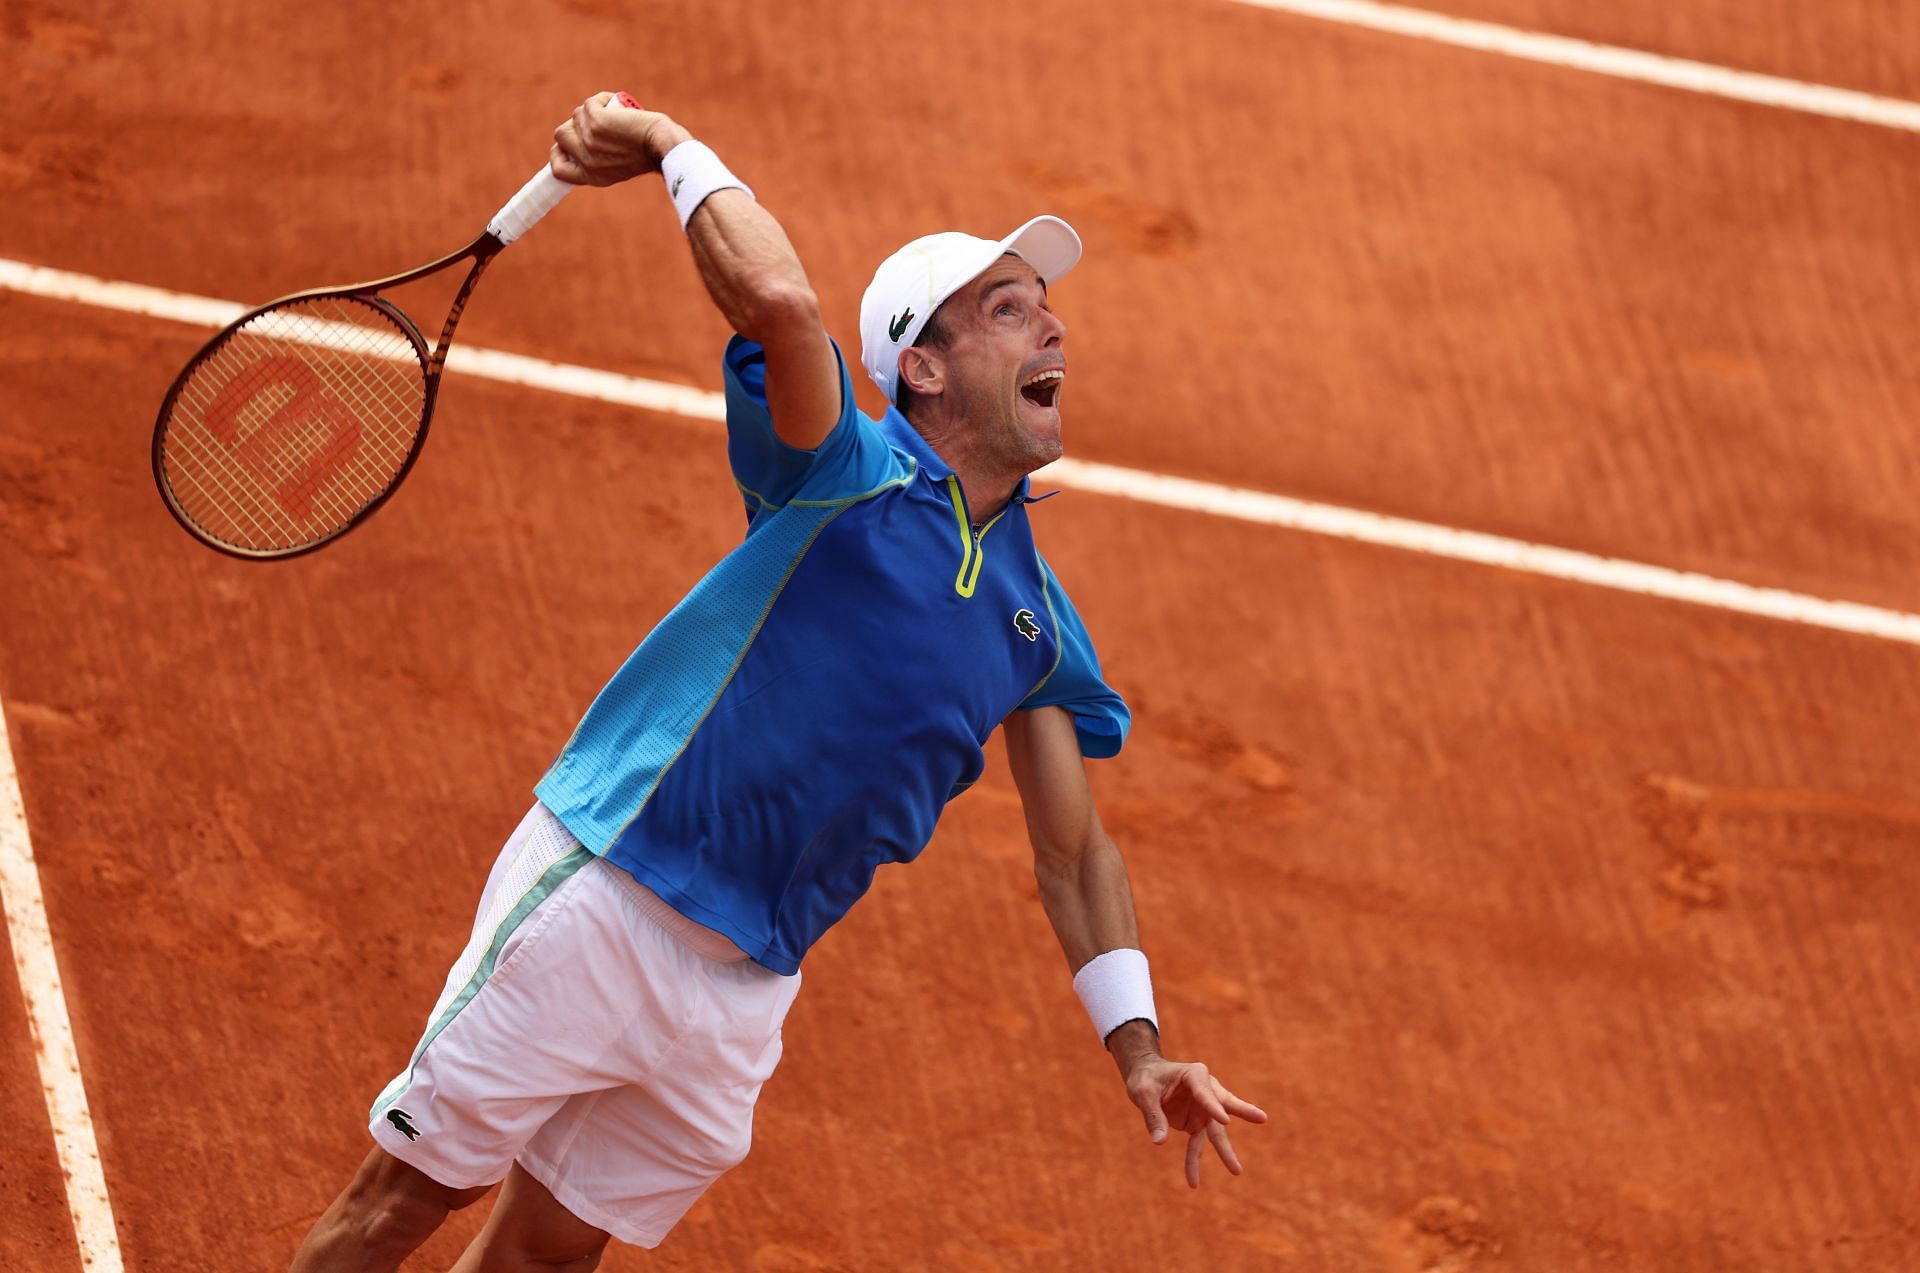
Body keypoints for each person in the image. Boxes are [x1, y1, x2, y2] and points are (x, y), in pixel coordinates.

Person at [292, 92, 1265, 1272]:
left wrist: (1140, 1048)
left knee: (546, 1257)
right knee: (403, 1200)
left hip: (744, 989)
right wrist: (662, 143)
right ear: (925, 368)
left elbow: (1074, 851)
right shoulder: (841, 468)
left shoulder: (1037, 622)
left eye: (1049, 312)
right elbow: (779, 304)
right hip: (609, 892)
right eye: (1009, 312)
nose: (1052, 332)